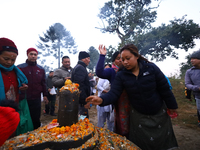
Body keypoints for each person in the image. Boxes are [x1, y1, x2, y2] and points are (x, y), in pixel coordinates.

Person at [86, 44, 178, 150]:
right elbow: (114, 93)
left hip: (158, 112)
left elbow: (164, 88)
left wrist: (172, 106)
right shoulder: (121, 75)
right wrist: (101, 99)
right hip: (138, 115)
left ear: (137, 56)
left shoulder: (151, 68)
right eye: (122, 59)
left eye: (128, 58)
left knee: (162, 142)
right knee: (140, 144)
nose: (124, 62)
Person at [95, 45, 130, 138]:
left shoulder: (130, 69)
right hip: (118, 102)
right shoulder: (112, 71)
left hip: (132, 103)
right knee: (120, 126)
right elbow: (99, 72)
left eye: (122, 58)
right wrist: (102, 56)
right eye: (118, 58)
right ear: (114, 61)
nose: (121, 60)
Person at [17, 48, 48, 130]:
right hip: (24, 98)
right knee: (24, 117)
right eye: (31, 54)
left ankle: (35, 137)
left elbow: (43, 83)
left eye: (35, 54)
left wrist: (45, 95)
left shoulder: (41, 69)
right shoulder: (20, 68)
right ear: (27, 55)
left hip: (36, 98)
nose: (33, 56)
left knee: (36, 118)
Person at [0, 37, 28, 102]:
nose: (9, 62)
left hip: (13, 108)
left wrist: (23, 88)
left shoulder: (17, 72)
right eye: (6, 59)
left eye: (13, 60)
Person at [71, 51, 91, 118]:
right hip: (81, 101)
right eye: (88, 58)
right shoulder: (80, 68)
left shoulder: (80, 67)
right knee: (82, 120)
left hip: (80, 100)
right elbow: (79, 86)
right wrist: (84, 101)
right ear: (83, 59)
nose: (89, 60)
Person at [96, 64, 114, 131]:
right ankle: (99, 134)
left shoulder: (112, 77)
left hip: (110, 103)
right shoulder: (102, 78)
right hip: (102, 101)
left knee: (111, 121)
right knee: (101, 121)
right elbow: (98, 86)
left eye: (108, 69)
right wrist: (105, 91)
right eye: (105, 69)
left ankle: (111, 135)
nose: (107, 70)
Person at [185, 49, 200, 127]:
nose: (191, 60)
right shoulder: (189, 72)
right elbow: (187, 84)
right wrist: (197, 88)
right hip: (198, 96)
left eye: (194, 58)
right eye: (191, 59)